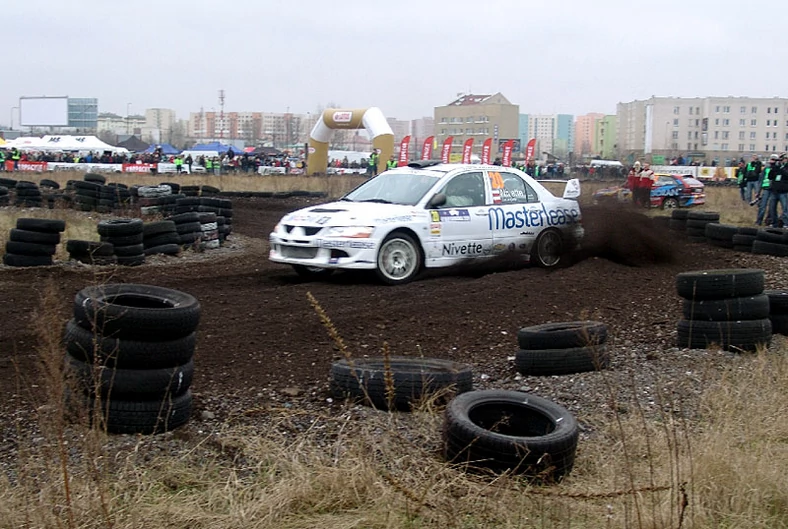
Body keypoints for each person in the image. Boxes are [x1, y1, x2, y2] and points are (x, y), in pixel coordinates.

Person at [755, 154, 778, 225]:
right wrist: (758, 191)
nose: (772, 161)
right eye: (771, 159)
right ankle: (759, 221)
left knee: (772, 207)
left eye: (774, 159)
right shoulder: (766, 168)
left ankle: (769, 221)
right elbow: (761, 180)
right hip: (766, 189)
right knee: (762, 206)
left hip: (774, 190)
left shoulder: (778, 168)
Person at [768, 153, 788, 228]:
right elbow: (770, 177)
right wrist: (773, 167)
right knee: (772, 208)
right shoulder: (776, 167)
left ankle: (786, 224)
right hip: (774, 191)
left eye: (784, 159)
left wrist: (782, 167)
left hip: (784, 191)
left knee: (785, 208)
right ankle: (774, 223)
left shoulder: (786, 167)